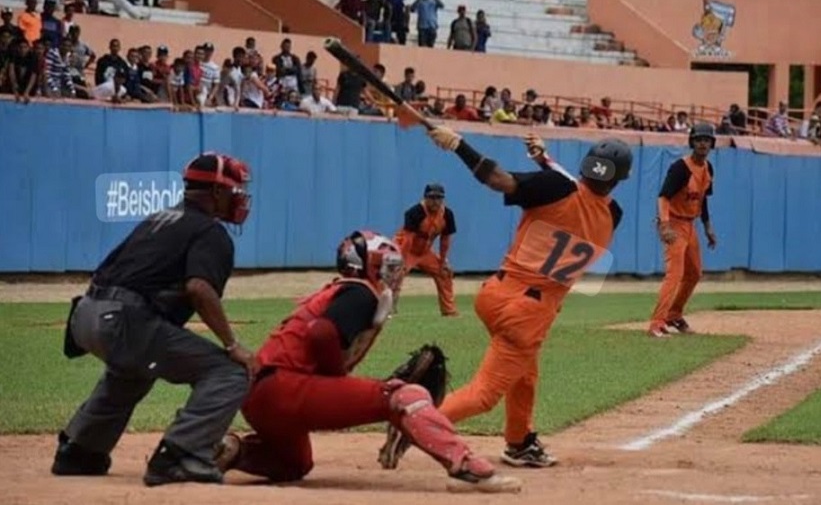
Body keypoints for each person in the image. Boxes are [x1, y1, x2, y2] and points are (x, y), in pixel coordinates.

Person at [380, 125, 630, 469]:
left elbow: (501, 179)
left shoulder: (556, 188)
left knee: (525, 374)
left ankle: (519, 442)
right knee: (484, 395)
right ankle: (414, 422)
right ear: (622, 179)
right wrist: (545, 160)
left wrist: (459, 146)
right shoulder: (612, 214)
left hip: (495, 293)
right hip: (528, 313)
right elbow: (582, 192)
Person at [212, 230, 520, 493]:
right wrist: (336, 378)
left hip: (260, 396)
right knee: (403, 395)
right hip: (285, 388)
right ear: (364, 265)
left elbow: (318, 336)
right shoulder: (360, 292)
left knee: (294, 464)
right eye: (386, 265)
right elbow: (321, 334)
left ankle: (232, 451)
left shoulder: (340, 290)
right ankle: (466, 468)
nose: (393, 273)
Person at [51, 152, 257, 487]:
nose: (239, 198)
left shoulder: (160, 217)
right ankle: (181, 455)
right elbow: (199, 288)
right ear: (216, 192)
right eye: (234, 190)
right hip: (122, 319)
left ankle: (80, 451)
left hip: (85, 315)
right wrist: (232, 345)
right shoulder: (210, 231)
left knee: (134, 369)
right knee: (229, 372)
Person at [648, 123, 717, 337]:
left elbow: (702, 200)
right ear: (692, 143)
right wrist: (664, 224)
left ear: (712, 144)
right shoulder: (681, 167)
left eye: (707, 140)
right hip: (675, 223)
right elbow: (663, 196)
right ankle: (657, 323)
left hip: (691, 224)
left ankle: (674, 314)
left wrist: (707, 227)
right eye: (699, 139)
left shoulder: (708, 168)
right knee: (674, 274)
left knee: (694, 273)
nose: (703, 143)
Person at [393, 183, 458, 316]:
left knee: (444, 273)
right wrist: (402, 261)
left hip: (424, 252)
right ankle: (388, 309)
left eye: (439, 198)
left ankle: (449, 311)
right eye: (432, 197)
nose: (435, 201)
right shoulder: (415, 212)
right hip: (405, 248)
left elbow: (445, 240)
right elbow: (407, 240)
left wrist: (443, 260)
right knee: (396, 274)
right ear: (425, 198)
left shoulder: (447, 214)